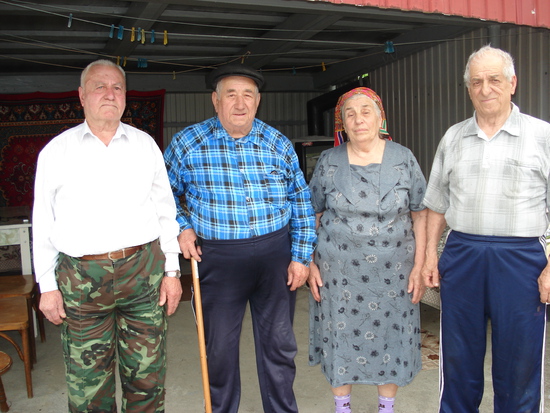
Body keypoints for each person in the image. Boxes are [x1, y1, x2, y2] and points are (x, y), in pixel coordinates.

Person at [163, 63, 316, 413]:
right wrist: (182, 226)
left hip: (276, 257)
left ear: (258, 101)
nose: (240, 103)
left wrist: (301, 256)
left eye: (248, 95)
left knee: (279, 346)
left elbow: (301, 201)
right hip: (217, 258)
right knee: (217, 351)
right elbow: (162, 194)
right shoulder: (188, 142)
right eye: (230, 94)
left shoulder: (277, 142)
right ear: (215, 101)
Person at [32, 59, 182, 413]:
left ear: (125, 96)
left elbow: (166, 211)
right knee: (88, 389)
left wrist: (172, 272)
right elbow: (42, 222)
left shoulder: (144, 145)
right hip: (81, 281)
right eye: (99, 86)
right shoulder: (57, 151)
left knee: (147, 379)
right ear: (82, 96)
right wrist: (47, 286)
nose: (109, 94)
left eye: (117, 87)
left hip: (142, 275)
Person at [422, 45, 550, 413]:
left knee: (520, 363)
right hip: (462, 254)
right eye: (476, 82)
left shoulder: (542, 136)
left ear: (513, 84)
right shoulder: (453, 137)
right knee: (458, 359)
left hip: (522, 259)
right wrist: (430, 256)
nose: (485, 89)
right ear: (468, 89)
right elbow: (436, 205)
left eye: (494, 80)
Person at [307, 87, 427, 413]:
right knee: (340, 339)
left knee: (391, 339)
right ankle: (342, 407)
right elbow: (311, 213)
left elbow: (420, 212)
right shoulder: (329, 162)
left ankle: (386, 408)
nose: (358, 119)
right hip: (338, 276)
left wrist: (420, 266)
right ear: (342, 124)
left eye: (365, 111)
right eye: (350, 114)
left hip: (395, 274)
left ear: (379, 118)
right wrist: (309, 262)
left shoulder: (403, 159)